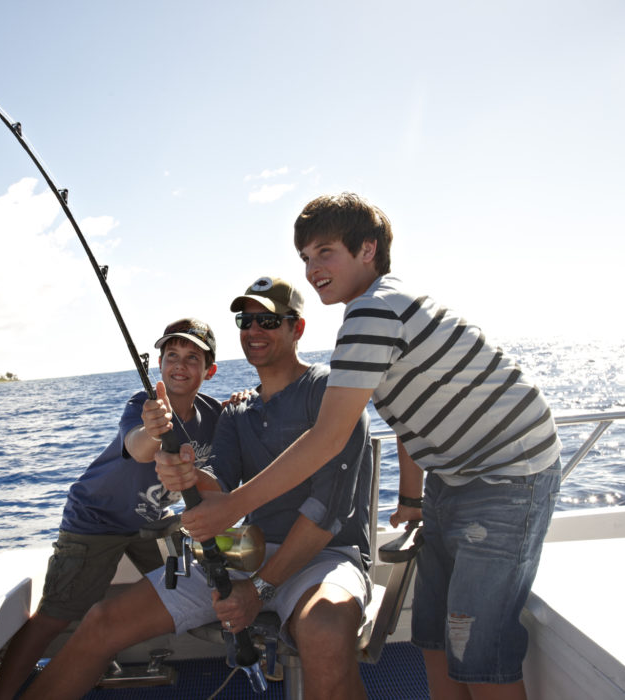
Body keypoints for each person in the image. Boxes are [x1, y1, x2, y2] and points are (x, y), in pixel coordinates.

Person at [182, 193, 562, 700]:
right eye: (305, 258)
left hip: (508, 477)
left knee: (477, 649)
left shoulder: (372, 312)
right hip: (452, 479)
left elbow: (328, 437)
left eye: (325, 252)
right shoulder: (379, 306)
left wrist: (234, 504)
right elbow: (410, 409)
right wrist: (411, 497)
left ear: (368, 249)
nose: (313, 268)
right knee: (431, 635)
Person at [23, 276, 375, 700]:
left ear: (296, 328)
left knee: (324, 631)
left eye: (268, 320)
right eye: (245, 321)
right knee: (102, 620)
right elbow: (218, 489)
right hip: (252, 549)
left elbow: (328, 511)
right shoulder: (237, 411)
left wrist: (259, 589)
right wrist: (183, 474)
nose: (254, 330)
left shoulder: (331, 391)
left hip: (325, 558)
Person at [0, 318, 222, 700]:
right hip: (95, 520)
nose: (180, 364)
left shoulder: (215, 416)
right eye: (172, 356)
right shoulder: (142, 405)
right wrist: (153, 429)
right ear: (159, 366)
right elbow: (136, 446)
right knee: (56, 615)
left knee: (196, 576)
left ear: (210, 371)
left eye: (193, 358)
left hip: (149, 521)